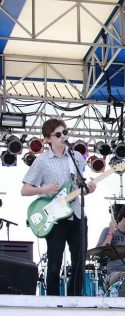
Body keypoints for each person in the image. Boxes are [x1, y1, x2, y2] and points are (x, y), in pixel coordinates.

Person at [21, 118, 96, 296]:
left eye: (65, 132)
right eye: (58, 134)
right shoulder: (42, 161)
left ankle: (75, 301)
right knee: (54, 262)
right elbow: (24, 190)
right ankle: (52, 301)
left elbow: (78, 186)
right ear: (48, 138)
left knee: (79, 262)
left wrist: (89, 189)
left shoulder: (76, 157)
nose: (63, 136)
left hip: (76, 213)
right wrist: (44, 189)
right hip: (54, 217)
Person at [97, 203, 125, 289]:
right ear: (124, 217)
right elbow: (100, 254)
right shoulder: (107, 230)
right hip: (111, 274)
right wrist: (111, 232)